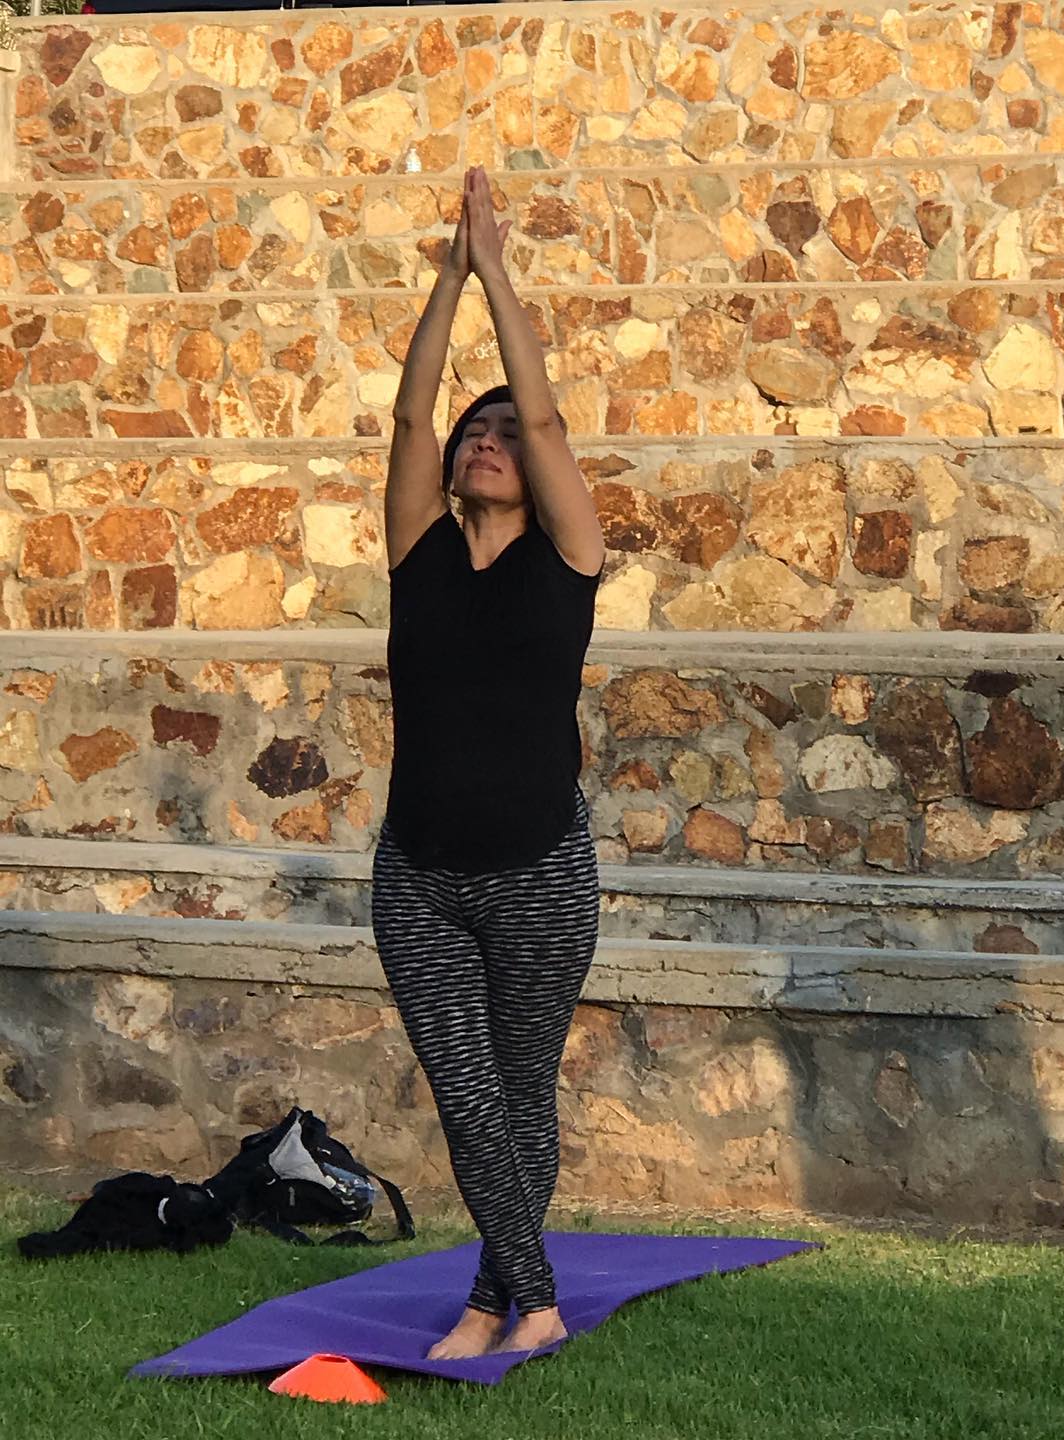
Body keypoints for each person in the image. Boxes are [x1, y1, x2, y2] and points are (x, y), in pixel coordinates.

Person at [370, 165, 606, 1360]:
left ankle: (488, 1301)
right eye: (480, 429)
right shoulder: (416, 550)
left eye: (508, 433)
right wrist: (449, 280)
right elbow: (409, 421)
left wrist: (499, 275)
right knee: (469, 1104)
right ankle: (537, 1303)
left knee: (517, 1099)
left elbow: (548, 420)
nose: (490, 440)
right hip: (417, 877)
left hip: (540, 875)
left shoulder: (569, 556)